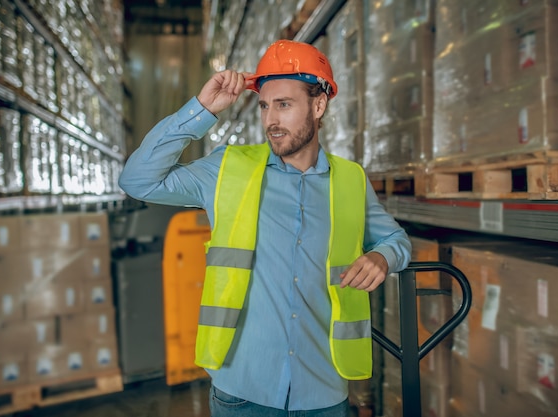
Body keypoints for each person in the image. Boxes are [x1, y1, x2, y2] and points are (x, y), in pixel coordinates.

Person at [119, 40, 411, 417]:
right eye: (264, 105)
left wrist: (381, 257)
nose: (271, 119)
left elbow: (396, 240)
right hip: (242, 390)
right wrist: (202, 111)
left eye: (284, 105)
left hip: (322, 392)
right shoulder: (229, 168)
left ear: (318, 105)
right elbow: (137, 180)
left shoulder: (351, 180)